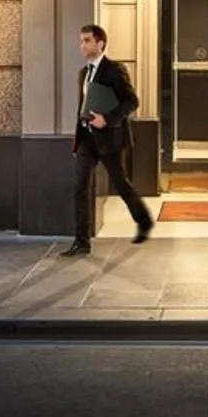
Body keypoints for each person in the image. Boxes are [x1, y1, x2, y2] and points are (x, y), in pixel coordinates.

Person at [65, 23, 152, 256]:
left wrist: (108, 119)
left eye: (86, 41)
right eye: (81, 40)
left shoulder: (114, 69)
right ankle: (81, 242)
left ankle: (143, 221)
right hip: (86, 139)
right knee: (79, 187)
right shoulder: (83, 73)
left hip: (109, 139)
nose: (81, 45)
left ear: (100, 43)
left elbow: (131, 101)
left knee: (121, 184)